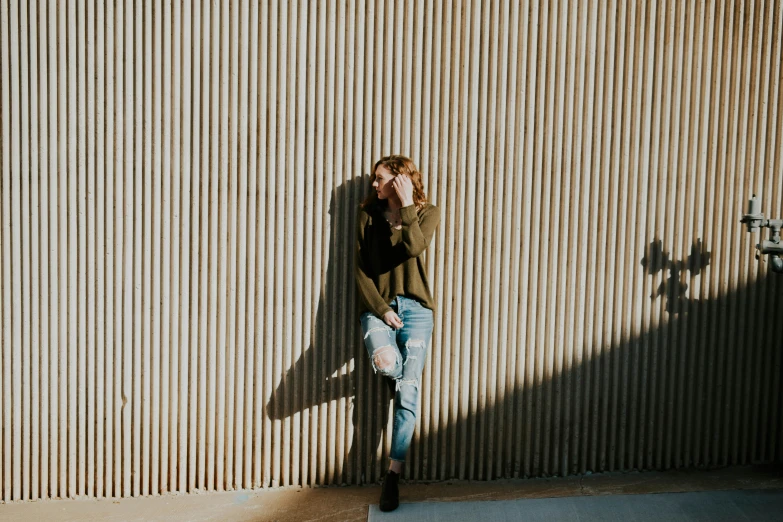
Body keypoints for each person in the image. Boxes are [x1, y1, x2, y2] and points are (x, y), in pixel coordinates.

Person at [354, 155, 440, 512]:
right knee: (390, 364)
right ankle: (398, 376)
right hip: (379, 309)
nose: (374, 185)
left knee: (408, 393)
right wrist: (382, 309)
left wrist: (406, 206)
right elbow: (359, 269)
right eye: (375, 179)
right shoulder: (367, 215)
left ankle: (393, 474)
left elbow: (414, 247)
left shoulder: (426, 212)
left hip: (417, 312)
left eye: (380, 179)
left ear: (400, 180)